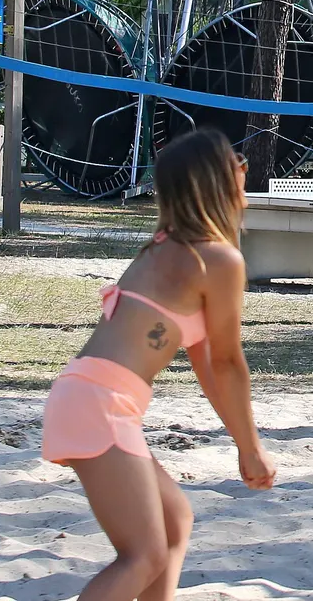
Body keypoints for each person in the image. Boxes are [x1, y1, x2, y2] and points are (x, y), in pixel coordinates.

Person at [40, 127, 275, 601]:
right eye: (238, 162)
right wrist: (250, 449)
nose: (245, 170)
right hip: (99, 403)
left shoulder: (168, 245)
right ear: (216, 180)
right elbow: (229, 363)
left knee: (173, 524)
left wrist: (241, 441)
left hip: (89, 396)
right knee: (142, 555)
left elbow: (208, 365)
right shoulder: (217, 259)